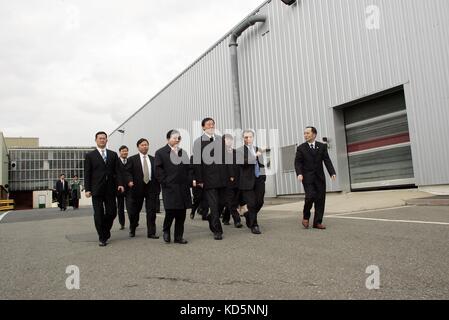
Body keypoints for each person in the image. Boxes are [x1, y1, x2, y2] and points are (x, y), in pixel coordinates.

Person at [192, 117, 233, 240]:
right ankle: (217, 230)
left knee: (222, 203)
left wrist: (230, 174)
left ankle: (211, 218)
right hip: (208, 180)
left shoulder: (220, 140)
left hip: (222, 178)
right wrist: (199, 180)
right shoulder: (198, 142)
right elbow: (197, 162)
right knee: (214, 206)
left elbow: (227, 158)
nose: (211, 126)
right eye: (208, 124)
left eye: (213, 124)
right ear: (203, 127)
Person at [84, 131, 125, 247]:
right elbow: (87, 173)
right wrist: (87, 189)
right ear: (96, 140)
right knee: (98, 214)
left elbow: (118, 171)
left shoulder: (113, 155)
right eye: (100, 138)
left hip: (110, 189)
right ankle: (102, 237)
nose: (102, 140)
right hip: (96, 189)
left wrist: (120, 183)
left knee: (112, 212)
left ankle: (105, 231)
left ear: (107, 140)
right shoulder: (90, 156)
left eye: (104, 138)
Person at [294, 126, 337, 230]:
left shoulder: (322, 146)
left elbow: (327, 160)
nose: (305, 135)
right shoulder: (301, 148)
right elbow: (297, 162)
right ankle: (306, 216)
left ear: (314, 134)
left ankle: (317, 222)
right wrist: (299, 173)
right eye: (304, 133)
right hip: (307, 178)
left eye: (308, 133)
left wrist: (332, 172)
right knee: (310, 197)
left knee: (320, 199)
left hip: (319, 178)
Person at [155, 130, 192, 244]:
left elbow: (189, 168)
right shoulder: (160, 152)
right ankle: (166, 231)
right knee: (170, 212)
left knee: (181, 213)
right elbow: (158, 169)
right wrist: (165, 182)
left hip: (183, 187)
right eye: (174, 138)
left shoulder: (183, 152)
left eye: (179, 138)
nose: (177, 140)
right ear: (168, 139)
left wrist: (189, 180)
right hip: (170, 187)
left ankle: (178, 237)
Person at [124, 138, 161, 239]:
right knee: (135, 211)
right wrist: (130, 180)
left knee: (151, 211)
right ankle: (133, 227)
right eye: (142, 145)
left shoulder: (153, 159)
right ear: (138, 147)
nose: (145, 146)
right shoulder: (132, 159)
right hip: (137, 188)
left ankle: (151, 232)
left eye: (146, 145)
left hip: (151, 187)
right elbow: (127, 172)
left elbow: (158, 173)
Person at [237, 130, 266, 234]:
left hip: (259, 179)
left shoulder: (258, 149)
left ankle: (248, 215)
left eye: (250, 137)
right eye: (245, 137)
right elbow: (243, 163)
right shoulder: (239, 151)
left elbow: (261, 164)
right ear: (243, 139)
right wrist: (255, 156)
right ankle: (254, 225)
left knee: (260, 202)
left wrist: (263, 177)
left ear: (253, 138)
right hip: (247, 181)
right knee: (252, 203)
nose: (248, 139)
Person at [221, 134, 242, 228]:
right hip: (226, 182)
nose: (229, 141)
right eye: (226, 140)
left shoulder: (236, 153)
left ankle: (225, 218)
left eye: (230, 140)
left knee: (234, 201)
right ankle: (237, 220)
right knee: (231, 201)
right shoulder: (220, 154)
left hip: (237, 181)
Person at [117, 145, 130, 230]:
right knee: (120, 207)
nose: (125, 152)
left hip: (130, 188)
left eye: (126, 151)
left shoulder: (130, 161)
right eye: (123, 151)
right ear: (120, 152)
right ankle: (122, 223)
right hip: (119, 188)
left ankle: (134, 222)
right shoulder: (116, 162)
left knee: (131, 206)